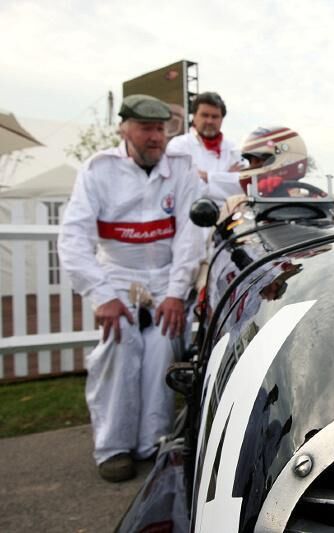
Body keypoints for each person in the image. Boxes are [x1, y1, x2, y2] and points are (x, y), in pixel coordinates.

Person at [58, 95, 203, 482]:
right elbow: (73, 237)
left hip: (165, 277)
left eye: (161, 129)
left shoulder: (182, 168)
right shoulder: (98, 170)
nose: (156, 137)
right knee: (120, 346)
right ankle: (113, 447)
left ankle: (152, 442)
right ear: (125, 129)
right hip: (118, 275)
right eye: (146, 129)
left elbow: (190, 236)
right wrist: (101, 295)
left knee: (160, 349)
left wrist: (176, 292)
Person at [166, 91, 244, 204]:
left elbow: (243, 187)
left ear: (222, 119)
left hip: (229, 219)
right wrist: (226, 179)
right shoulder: (178, 146)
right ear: (194, 117)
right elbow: (181, 187)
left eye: (215, 116)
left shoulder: (233, 149)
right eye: (205, 115)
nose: (209, 121)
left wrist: (206, 177)